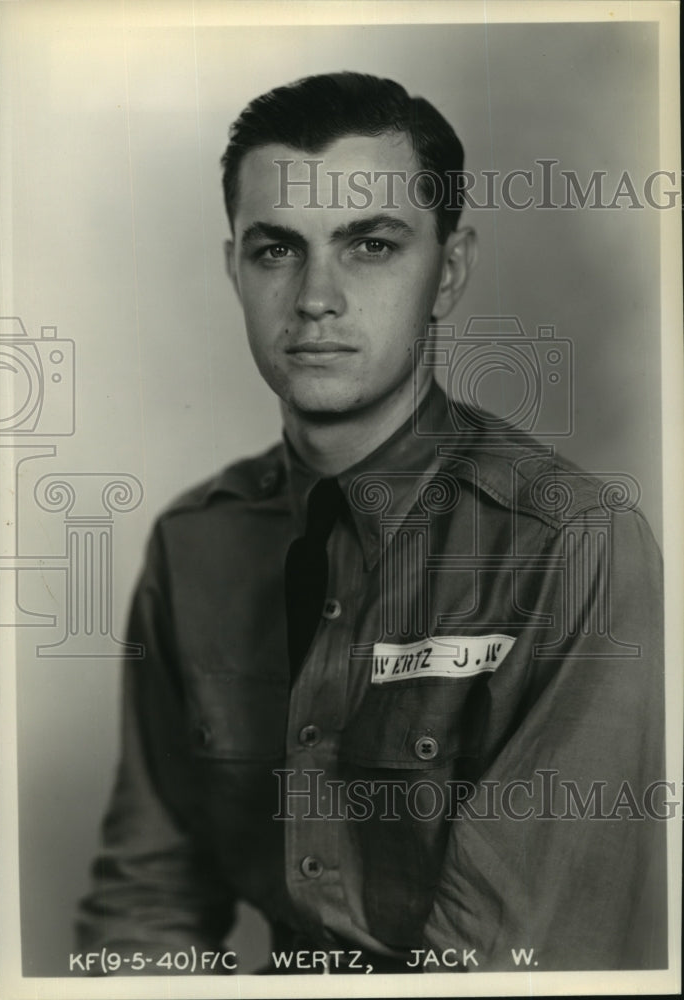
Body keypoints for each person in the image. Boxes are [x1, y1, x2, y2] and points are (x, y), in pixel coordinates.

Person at [77, 72, 667, 974]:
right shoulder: (194, 543)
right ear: (232, 267)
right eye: (277, 250)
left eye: (370, 246)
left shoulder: (570, 543)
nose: (316, 297)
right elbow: (146, 902)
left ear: (450, 270)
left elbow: (508, 964)